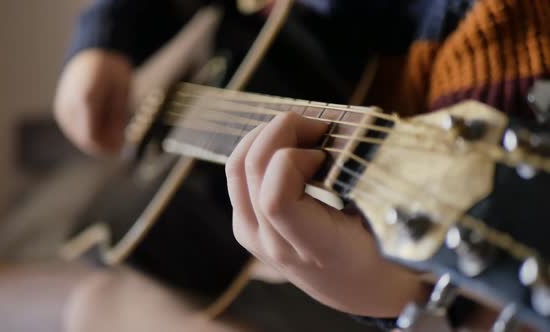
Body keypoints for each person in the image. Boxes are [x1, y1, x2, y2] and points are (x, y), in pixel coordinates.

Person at [55, 0, 550, 330]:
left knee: (103, 311)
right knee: (92, 301)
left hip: (384, 280)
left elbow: (489, 273)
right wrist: (103, 39)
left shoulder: (499, 24)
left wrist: (390, 291)